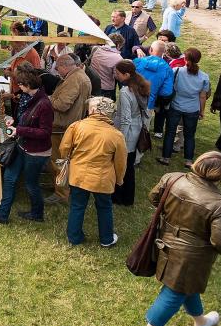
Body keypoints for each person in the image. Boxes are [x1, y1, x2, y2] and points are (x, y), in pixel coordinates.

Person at [139, 151, 221, 326]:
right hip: (193, 258)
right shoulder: (220, 205)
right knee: (174, 292)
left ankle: (202, 322)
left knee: (185, 285)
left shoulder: (172, 178)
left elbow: (154, 198)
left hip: (164, 243)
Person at [0, 69, 53, 224]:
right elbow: (26, 118)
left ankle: (37, 213)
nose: (19, 88)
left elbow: (45, 132)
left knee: (31, 184)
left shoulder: (44, 105)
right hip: (22, 146)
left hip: (36, 153)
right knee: (9, 178)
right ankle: (2, 214)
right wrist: (14, 122)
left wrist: (20, 130)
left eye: (20, 85)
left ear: (28, 85)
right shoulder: (30, 98)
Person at [60, 97, 127, 247]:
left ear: (93, 110)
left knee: (77, 205)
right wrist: (119, 179)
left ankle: (74, 237)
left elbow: (64, 149)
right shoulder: (116, 135)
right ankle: (106, 239)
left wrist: (68, 159)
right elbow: (121, 162)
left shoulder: (76, 126)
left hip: (78, 175)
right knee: (104, 207)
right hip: (102, 179)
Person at [46, 54, 93, 204]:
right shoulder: (80, 75)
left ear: (65, 66)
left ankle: (61, 193)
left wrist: (48, 99)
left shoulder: (74, 79)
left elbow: (62, 105)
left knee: (59, 161)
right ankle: (60, 186)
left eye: (58, 68)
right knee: (63, 161)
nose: (57, 71)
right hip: (69, 125)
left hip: (63, 127)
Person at [160, 49, 210, 168]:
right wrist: (202, 111)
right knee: (190, 135)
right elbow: (202, 96)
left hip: (175, 106)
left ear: (185, 59)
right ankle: (188, 160)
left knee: (170, 133)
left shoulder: (176, 71)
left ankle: (166, 158)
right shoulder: (204, 77)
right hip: (192, 109)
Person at [112, 60, 150, 205]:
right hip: (136, 129)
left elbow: (125, 119)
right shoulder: (140, 86)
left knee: (122, 167)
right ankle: (128, 198)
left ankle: (119, 197)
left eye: (117, 73)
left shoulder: (125, 92)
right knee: (129, 166)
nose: (115, 75)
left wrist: (120, 138)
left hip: (127, 134)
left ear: (126, 74)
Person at [89, 33, 125, 100]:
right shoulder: (118, 58)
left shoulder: (96, 49)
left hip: (92, 84)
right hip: (106, 89)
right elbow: (118, 76)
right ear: (118, 45)